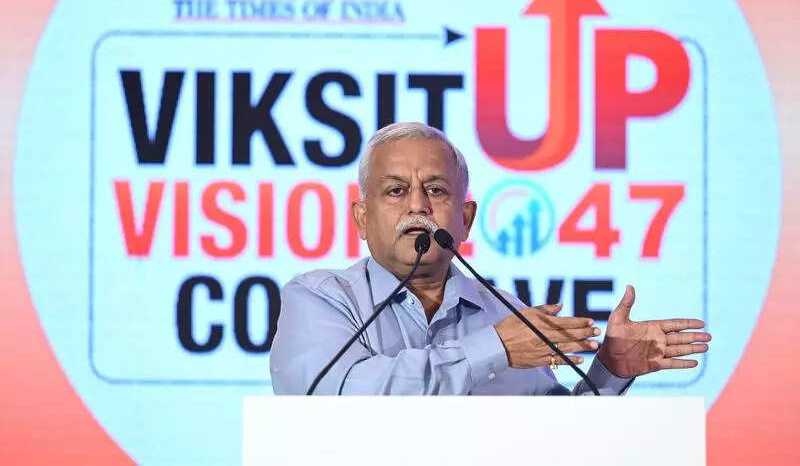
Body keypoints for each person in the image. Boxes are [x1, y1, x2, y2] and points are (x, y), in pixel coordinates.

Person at [270, 122, 711, 394]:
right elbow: (332, 393)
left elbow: (558, 440)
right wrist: (494, 349)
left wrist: (610, 372)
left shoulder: (505, 314)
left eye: (436, 190)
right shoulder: (320, 299)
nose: (418, 205)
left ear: (465, 220)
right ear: (362, 218)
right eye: (396, 190)